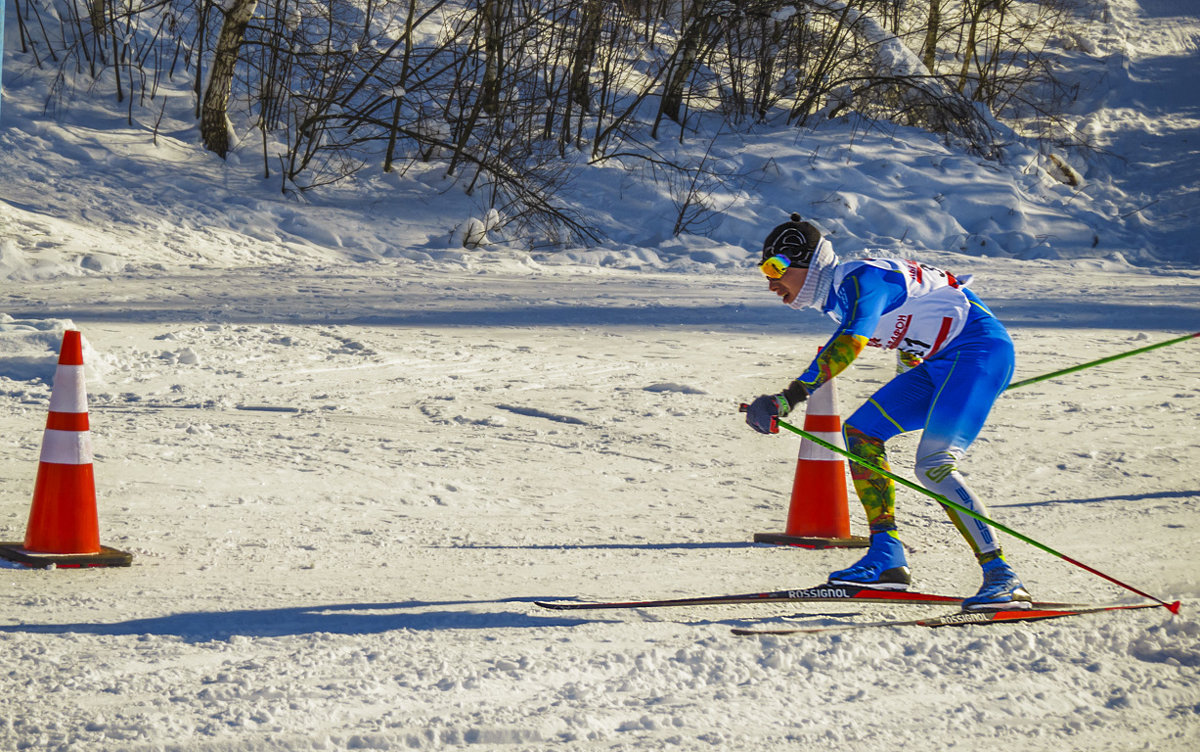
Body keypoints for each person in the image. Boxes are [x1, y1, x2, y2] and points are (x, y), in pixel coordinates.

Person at [743, 214, 1031, 611]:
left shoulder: (859, 279)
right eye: (765, 271)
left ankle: (1003, 578)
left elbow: (851, 341)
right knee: (861, 433)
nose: (771, 282)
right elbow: (917, 320)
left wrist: (789, 397)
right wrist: (911, 378)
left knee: (934, 465)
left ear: (808, 262)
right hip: (941, 364)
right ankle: (887, 558)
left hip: (978, 352)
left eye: (776, 268)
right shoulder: (838, 298)